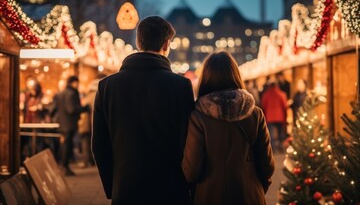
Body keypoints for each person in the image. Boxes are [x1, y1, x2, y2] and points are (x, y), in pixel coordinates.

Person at [92, 16, 195, 205]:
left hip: (126, 189)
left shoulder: (107, 86)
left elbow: (99, 144)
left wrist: (113, 186)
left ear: (139, 42)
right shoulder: (181, 86)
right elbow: (187, 141)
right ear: (166, 44)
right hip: (170, 189)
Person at [182, 51, 275, 205]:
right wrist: (256, 188)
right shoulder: (255, 114)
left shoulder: (199, 116)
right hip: (249, 195)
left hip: (209, 195)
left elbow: (191, 171)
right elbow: (267, 165)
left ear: (205, 78)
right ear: (235, 75)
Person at [56, 76, 89, 176]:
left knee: (65, 145)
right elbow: (71, 109)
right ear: (73, 82)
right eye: (76, 82)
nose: (78, 85)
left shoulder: (62, 93)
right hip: (69, 124)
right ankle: (64, 167)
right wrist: (84, 108)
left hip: (63, 123)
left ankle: (64, 166)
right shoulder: (71, 93)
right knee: (67, 146)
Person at [261, 78, 288, 153]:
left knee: (272, 135)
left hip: (270, 117)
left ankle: (274, 149)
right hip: (280, 117)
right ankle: (281, 148)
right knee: (280, 133)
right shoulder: (282, 94)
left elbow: (263, 106)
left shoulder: (266, 95)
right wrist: (285, 117)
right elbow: (284, 106)